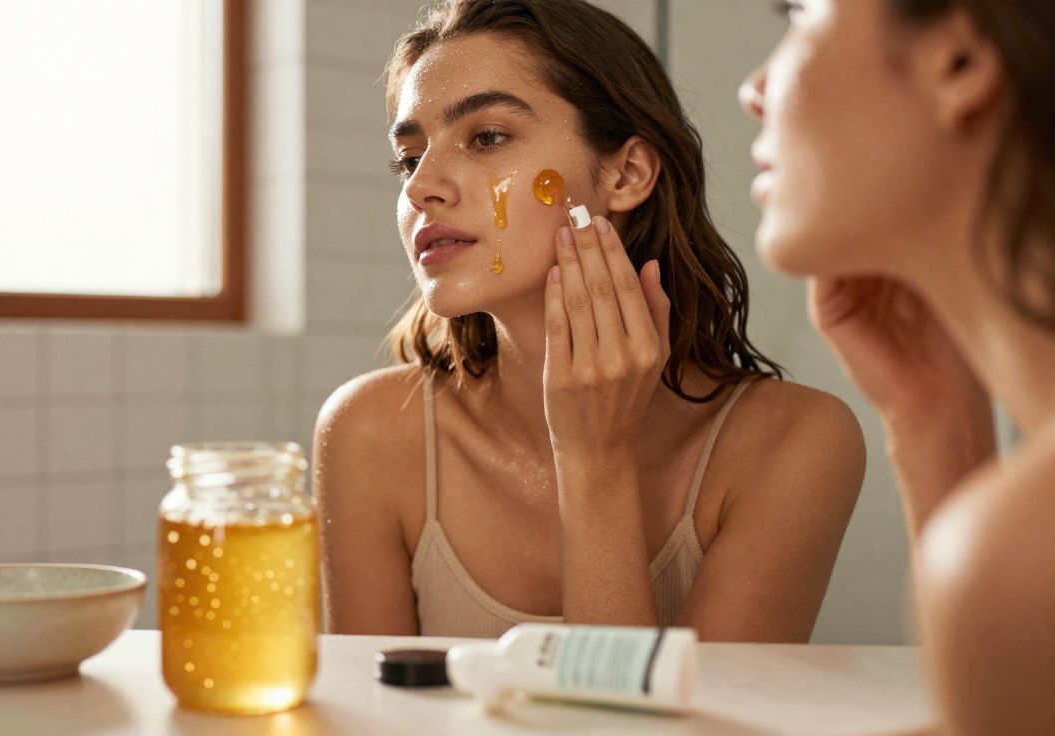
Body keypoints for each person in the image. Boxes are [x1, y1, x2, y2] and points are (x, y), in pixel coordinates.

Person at [314, 0, 865, 642]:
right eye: (408, 159)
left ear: (627, 173)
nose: (421, 187)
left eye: (487, 137)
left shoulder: (793, 444)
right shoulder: (371, 435)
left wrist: (595, 460)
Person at [740, 0, 1055, 731]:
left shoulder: (1022, 561)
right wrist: (935, 420)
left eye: (800, 15)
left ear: (960, 60)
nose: (753, 88)